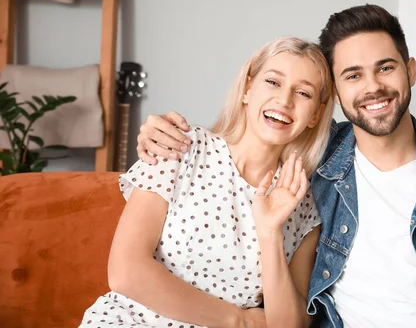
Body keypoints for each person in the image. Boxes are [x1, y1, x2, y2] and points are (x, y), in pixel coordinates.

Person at [136, 5, 416, 328]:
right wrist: (167, 133)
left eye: (386, 68)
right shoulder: (310, 164)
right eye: (353, 75)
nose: (373, 87)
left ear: (410, 71)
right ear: (334, 95)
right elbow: (250, 135)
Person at [80, 36, 335, 328]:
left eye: (303, 93)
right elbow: (125, 271)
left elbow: (289, 325)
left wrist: (269, 232)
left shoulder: (302, 205)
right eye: (273, 82)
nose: (285, 100)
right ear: (248, 89)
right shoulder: (178, 147)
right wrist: (239, 320)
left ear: (315, 114)